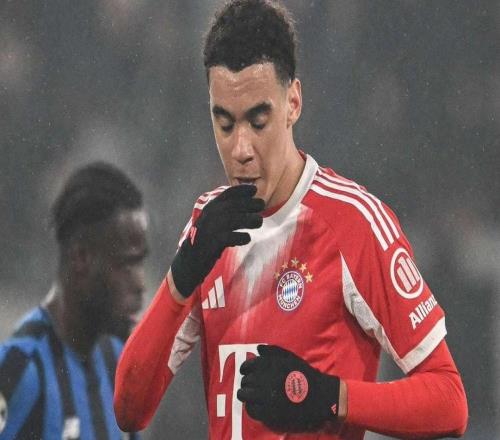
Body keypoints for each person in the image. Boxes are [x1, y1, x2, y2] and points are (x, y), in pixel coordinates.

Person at [114, 1, 468, 438]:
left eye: (258, 121)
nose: (241, 148)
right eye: (224, 124)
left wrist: (328, 395)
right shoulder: (208, 227)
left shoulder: (354, 223)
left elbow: (449, 402)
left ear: (293, 103)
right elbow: (129, 410)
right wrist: (182, 274)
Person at [0, 162, 147, 439]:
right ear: (82, 258)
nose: (141, 284)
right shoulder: (20, 368)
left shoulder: (118, 362)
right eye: (127, 264)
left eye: (141, 263)